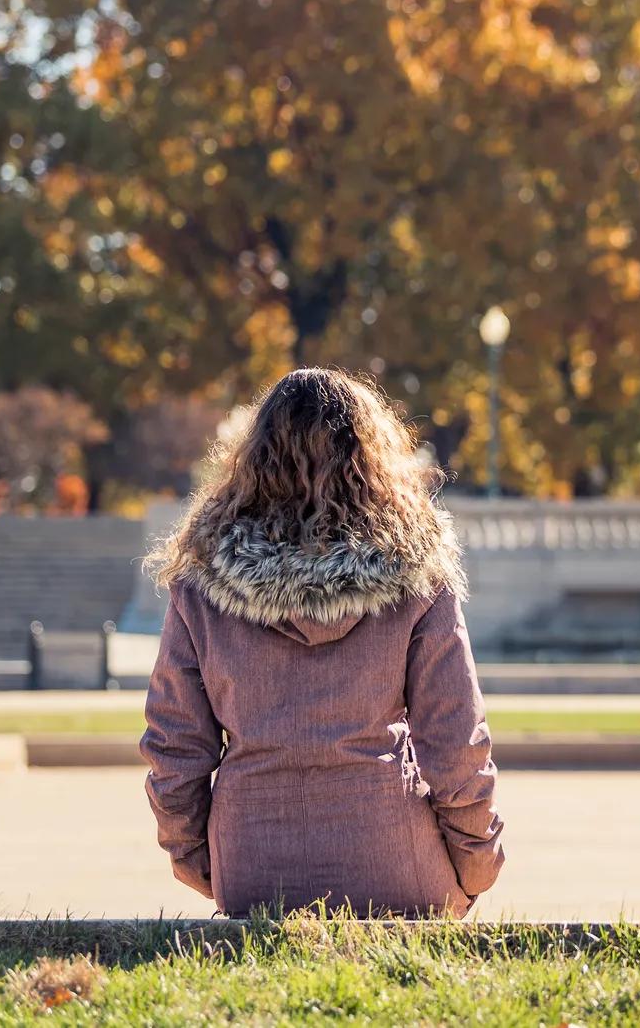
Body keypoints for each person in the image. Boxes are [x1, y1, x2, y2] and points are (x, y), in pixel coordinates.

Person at [140, 368, 503, 917]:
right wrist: (477, 864)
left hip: (252, 862)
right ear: (371, 460)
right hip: (395, 860)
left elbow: (175, 746)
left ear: (253, 459)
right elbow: (457, 743)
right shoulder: (417, 576)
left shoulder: (202, 584)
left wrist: (198, 858)